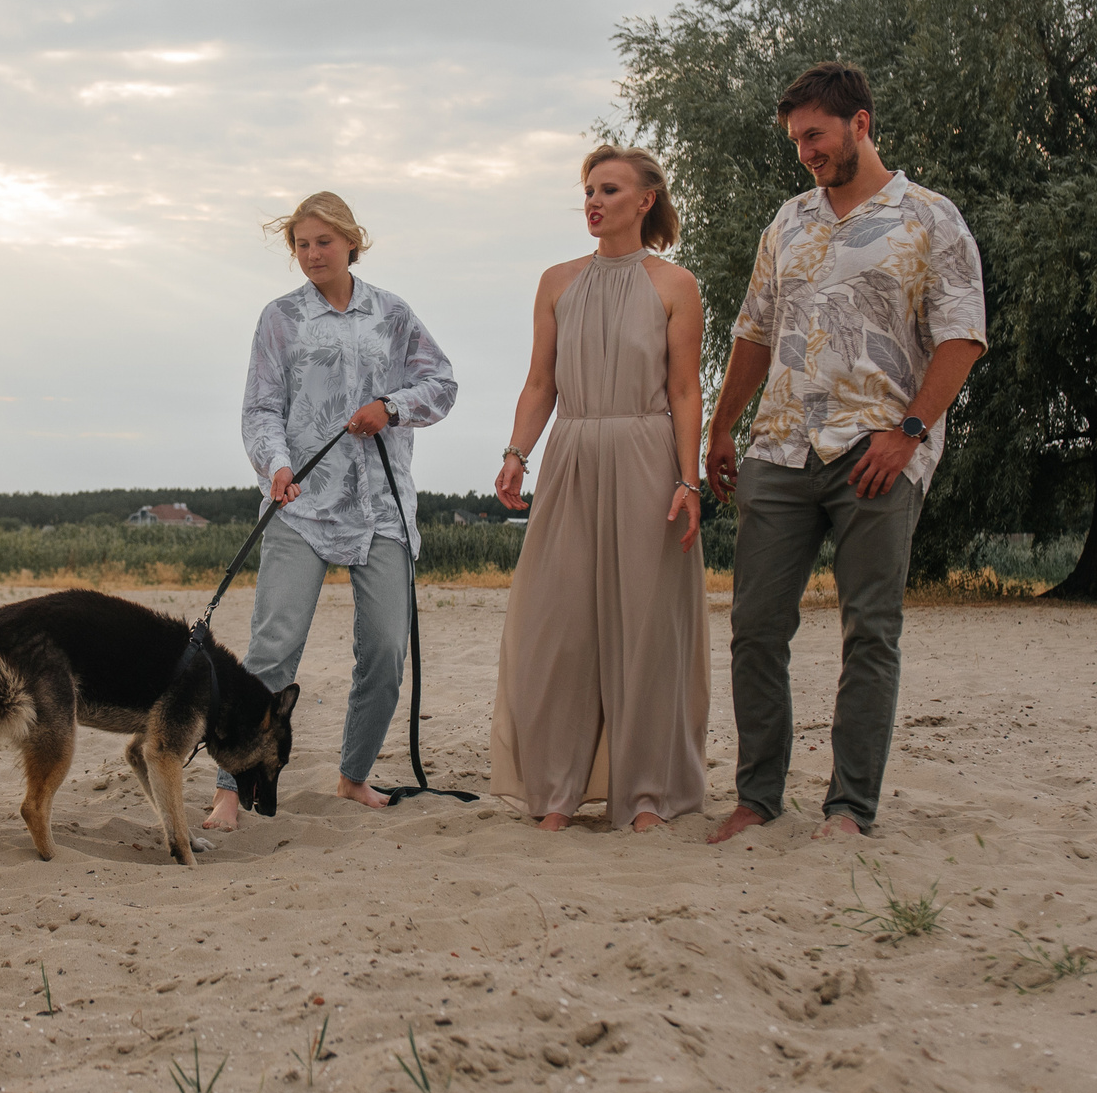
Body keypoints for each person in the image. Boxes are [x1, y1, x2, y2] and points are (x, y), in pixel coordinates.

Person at [704, 63, 987, 843]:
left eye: (816, 135)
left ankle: (849, 810)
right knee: (756, 626)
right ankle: (758, 797)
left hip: (877, 450)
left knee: (870, 629)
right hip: (780, 446)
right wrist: (721, 425)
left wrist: (911, 434)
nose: (805, 152)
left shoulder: (931, 219)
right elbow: (753, 331)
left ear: (860, 124)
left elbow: (962, 335)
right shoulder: (786, 223)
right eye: (796, 140)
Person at [204, 192, 457, 832]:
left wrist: (391, 407)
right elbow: (260, 408)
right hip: (300, 508)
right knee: (272, 652)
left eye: (323, 241)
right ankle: (229, 790)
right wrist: (275, 466)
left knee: (385, 651)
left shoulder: (393, 315)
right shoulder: (280, 318)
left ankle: (353, 777)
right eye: (301, 245)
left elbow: (442, 384)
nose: (312, 254)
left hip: (382, 512)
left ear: (351, 241)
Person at [489, 146, 709, 831]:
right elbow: (539, 382)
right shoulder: (556, 281)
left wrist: (688, 478)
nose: (593, 200)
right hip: (573, 454)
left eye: (608, 189)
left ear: (645, 200)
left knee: (646, 629)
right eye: (588, 189)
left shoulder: (676, 285)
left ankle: (646, 797)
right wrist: (516, 452)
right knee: (561, 630)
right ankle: (554, 793)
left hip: (648, 458)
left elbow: (683, 390)